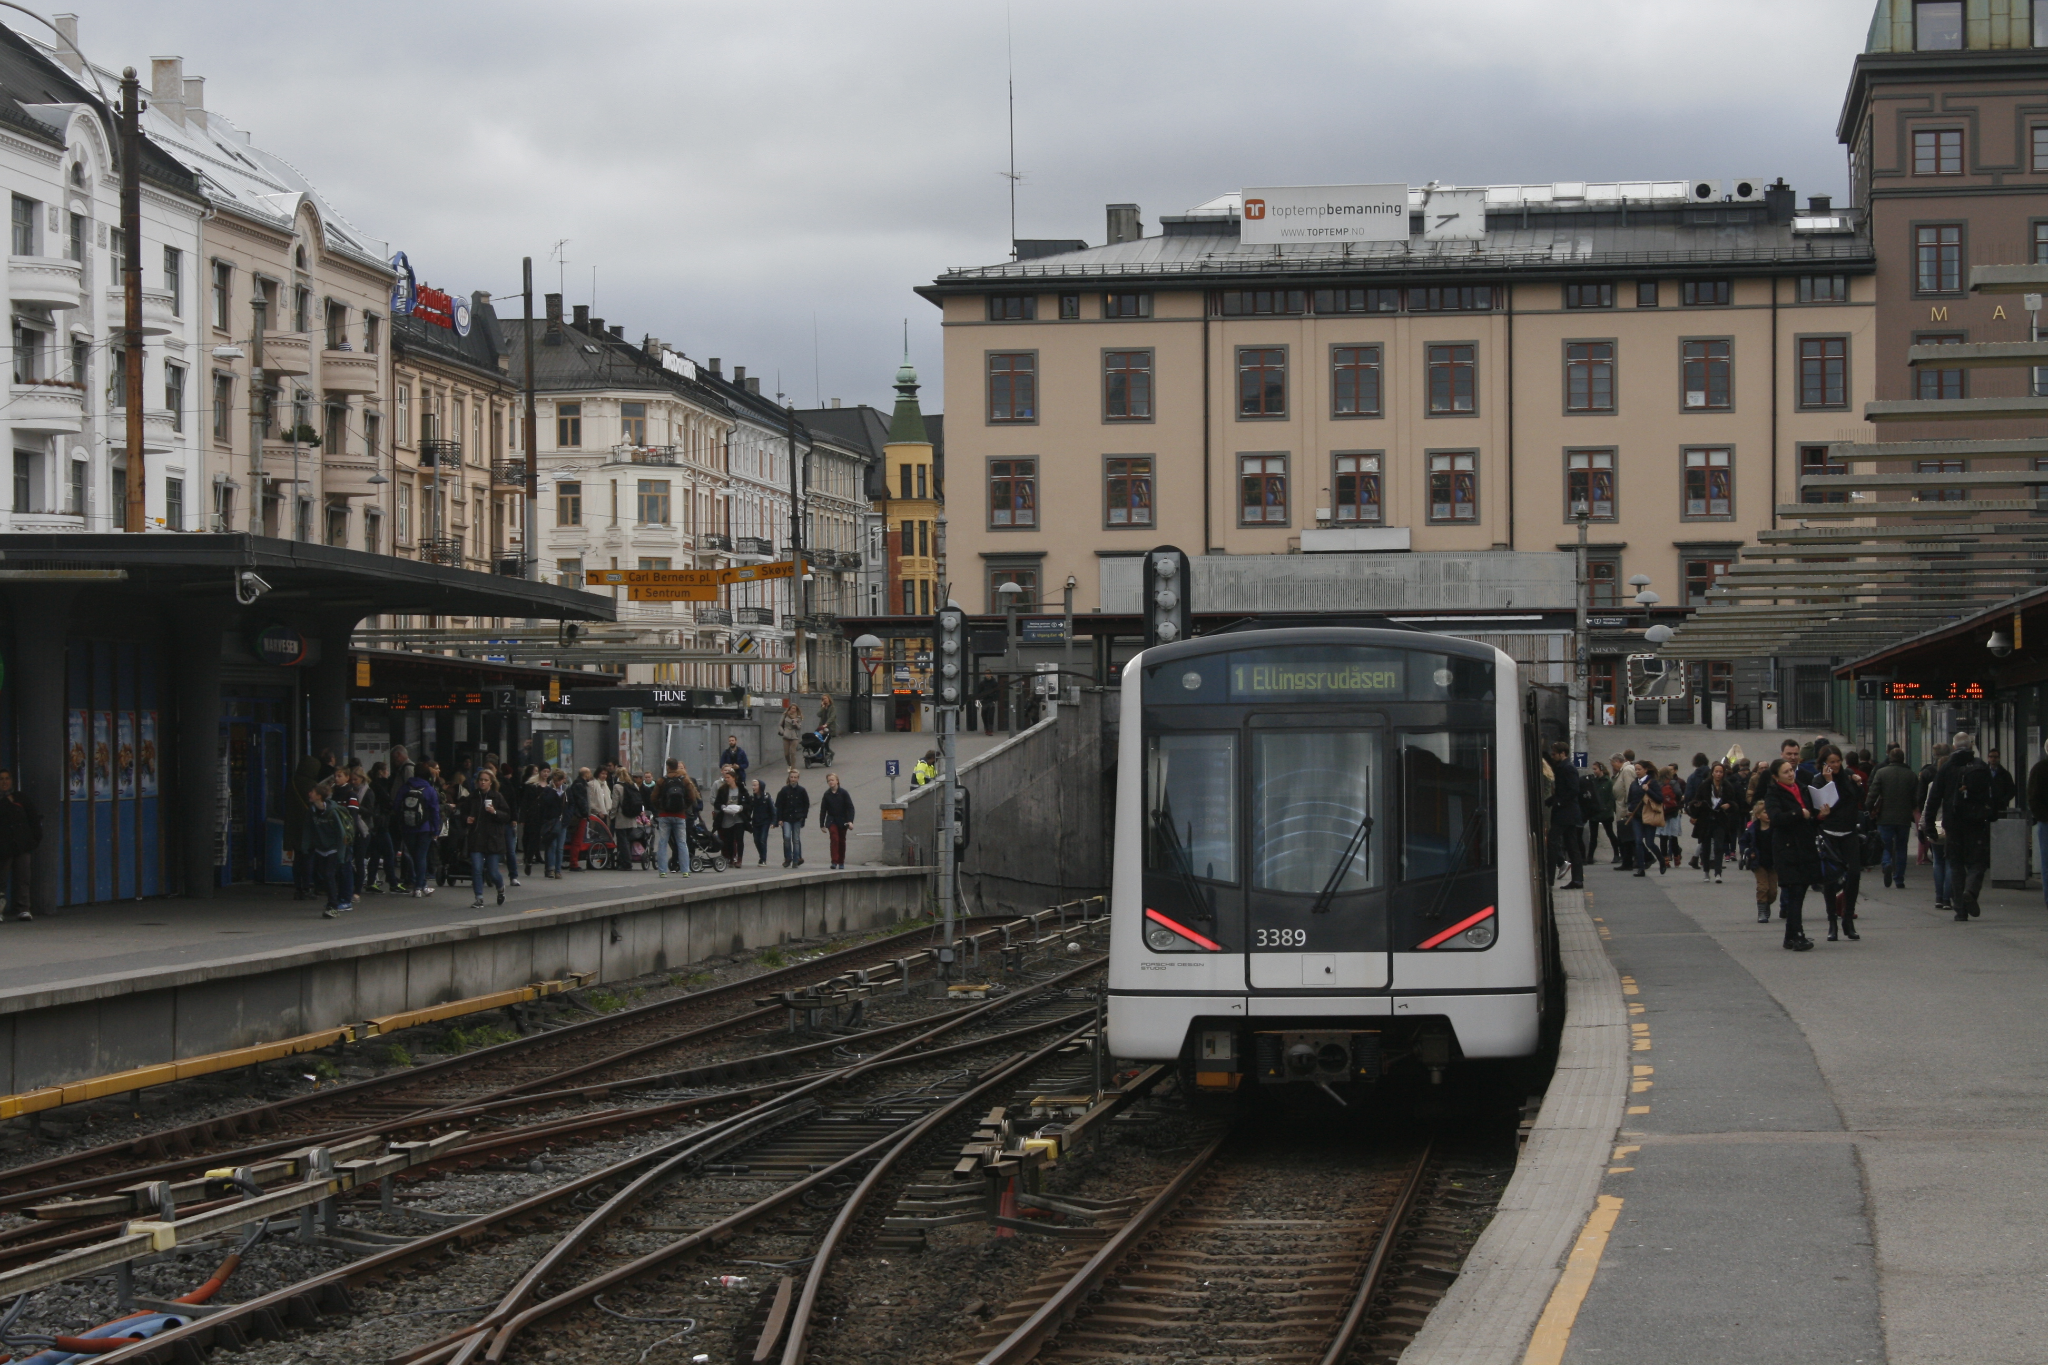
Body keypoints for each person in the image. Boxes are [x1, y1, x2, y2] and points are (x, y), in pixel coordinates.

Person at [1929, 731, 1995, 921]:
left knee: (1955, 864)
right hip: (1975, 823)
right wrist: (1991, 815)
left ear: (1954, 747)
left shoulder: (1947, 767)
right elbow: (1992, 794)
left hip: (1953, 823)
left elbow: (1934, 797)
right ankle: (1971, 891)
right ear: (1972, 746)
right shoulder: (1980, 766)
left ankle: (1960, 910)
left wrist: (1930, 825)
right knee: (1977, 862)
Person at [1763, 757, 1821, 951]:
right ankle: (1797, 934)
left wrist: (1818, 814)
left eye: (1791, 770)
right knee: (1795, 891)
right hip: (1787, 848)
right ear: (1776, 777)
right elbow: (1776, 818)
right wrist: (1798, 813)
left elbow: (1811, 813)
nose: (1790, 774)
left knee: (1801, 891)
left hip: (1804, 845)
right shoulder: (1773, 793)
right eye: (1786, 772)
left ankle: (1790, 936)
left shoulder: (1802, 788)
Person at [1815, 746, 1864, 941]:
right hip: (1829, 833)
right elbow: (1826, 803)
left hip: (1849, 832)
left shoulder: (1848, 776)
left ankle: (1848, 919)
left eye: (1837, 761)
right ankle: (1832, 922)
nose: (1835, 765)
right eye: (1831, 762)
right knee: (1830, 878)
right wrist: (1829, 782)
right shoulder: (1818, 780)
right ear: (1824, 763)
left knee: (1854, 874)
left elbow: (1857, 799)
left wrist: (1858, 784)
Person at [1869, 746, 1917, 890]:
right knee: (1902, 848)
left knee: (1885, 845)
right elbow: (1916, 797)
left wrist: (1868, 807)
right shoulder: (1911, 775)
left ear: (1890, 758)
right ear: (1903, 759)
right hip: (1903, 817)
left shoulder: (1881, 773)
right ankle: (1899, 878)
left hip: (1885, 816)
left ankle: (1886, 863)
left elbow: (1873, 792)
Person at [306, 783, 356, 918]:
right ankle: (333, 901)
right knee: (324, 876)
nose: (309, 794)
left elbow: (341, 834)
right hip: (321, 848)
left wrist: (341, 855)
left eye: (312, 792)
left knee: (329, 875)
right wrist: (306, 846)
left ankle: (333, 906)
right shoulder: (312, 810)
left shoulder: (333, 812)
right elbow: (309, 829)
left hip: (333, 849)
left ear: (319, 796)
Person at [464, 770, 511, 909]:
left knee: (492, 871)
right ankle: (479, 898)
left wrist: (494, 812)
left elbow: (507, 815)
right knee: (477, 868)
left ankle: (500, 887)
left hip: (493, 838)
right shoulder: (473, 797)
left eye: (485, 780)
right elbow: (463, 812)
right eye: (481, 780)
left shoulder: (497, 797)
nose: (482, 782)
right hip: (477, 837)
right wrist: (466, 819)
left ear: (491, 782)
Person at [394, 760, 441, 898]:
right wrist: (436, 830)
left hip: (408, 827)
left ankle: (421, 884)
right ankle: (419, 886)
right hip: (424, 828)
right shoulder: (429, 790)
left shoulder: (405, 787)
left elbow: (397, 806)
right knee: (421, 856)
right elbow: (435, 811)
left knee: (414, 856)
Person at [1686, 760, 1737, 884]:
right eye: (1716, 772)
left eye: (1721, 772)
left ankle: (1718, 873)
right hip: (1706, 820)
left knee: (1719, 847)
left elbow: (1735, 803)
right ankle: (1706, 872)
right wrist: (1697, 805)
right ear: (1712, 773)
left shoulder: (1727, 786)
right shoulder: (1705, 785)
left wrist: (1728, 805)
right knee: (1706, 847)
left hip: (1720, 820)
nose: (1719, 774)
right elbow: (1695, 800)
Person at [0, 770, 40, 922]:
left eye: (7, 779)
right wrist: (5, 802)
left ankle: (23, 909)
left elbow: (33, 818)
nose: (4, 782)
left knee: (23, 877)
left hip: (22, 845)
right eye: (1, 779)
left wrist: (35, 839)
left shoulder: (21, 798)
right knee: (1, 879)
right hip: (3, 846)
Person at [1547, 744, 1584, 889]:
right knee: (1572, 845)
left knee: (1552, 840)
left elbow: (1573, 790)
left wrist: (1558, 803)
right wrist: (1551, 801)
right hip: (1568, 812)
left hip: (1565, 813)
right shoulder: (1565, 767)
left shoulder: (1567, 768)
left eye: (1555, 754)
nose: (1553, 756)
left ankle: (1557, 870)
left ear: (1563, 753)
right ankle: (1577, 879)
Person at [652, 760, 696, 878]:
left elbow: (653, 798)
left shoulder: (662, 780)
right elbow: (692, 797)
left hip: (664, 816)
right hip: (680, 815)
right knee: (682, 842)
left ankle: (662, 871)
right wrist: (684, 807)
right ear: (677, 767)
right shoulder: (684, 780)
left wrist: (660, 808)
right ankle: (685, 870)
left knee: (663, 843)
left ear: (667, 767)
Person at [1740, 798, 1776, 923]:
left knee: (1772, 891)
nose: (1768, 815)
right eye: (1765, 812)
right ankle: (1761, 910)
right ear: (1758, 815)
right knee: (1762, 887)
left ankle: (1767, 904)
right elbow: (1743, 842)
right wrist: (1748, 852)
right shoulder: (1752, 830)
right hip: (1758, 862)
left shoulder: (1776, 829)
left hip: (1773, 862)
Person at [531, 770, 568, 879]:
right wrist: (553, 791)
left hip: (562, 821)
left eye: (559, 781)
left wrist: (567, 817)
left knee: (560, 848)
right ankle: (550, 869)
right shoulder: (548, 790)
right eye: (555, 781)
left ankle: (558, 870)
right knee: (552, 845)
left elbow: (570, 805)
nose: (557, 783)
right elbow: (545, 803)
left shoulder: (566, 790)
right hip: (551, 821)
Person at [774, 768, 811, 867]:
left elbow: (806, 804)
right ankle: (788, 858)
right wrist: (779, 819)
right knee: (786, 837)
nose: (793, 779)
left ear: (798, 778)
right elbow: (779, 805)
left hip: (797, 818)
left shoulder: (802, 790)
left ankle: (796, 859)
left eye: (795, 777)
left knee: (796, 839)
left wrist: (803, 816)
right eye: (791, 777)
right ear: (789, 778)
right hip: (786, 818)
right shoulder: (784, 790)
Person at [819, 772, 855, 870]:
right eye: (829, 780)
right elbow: (823, 810)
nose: (831, 782)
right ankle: (834, 861)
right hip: (832, 820)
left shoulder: (843, 793)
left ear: (837, 781)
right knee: (834, 838)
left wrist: (850, 821)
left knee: (842, 841)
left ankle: (841, 861)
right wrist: (822, 824)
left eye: (832, 780)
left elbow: (850, 807)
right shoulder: (827, 795)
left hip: (843, 820)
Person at [1584, 761, 1615, 867]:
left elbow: (1611, 798)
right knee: (1593, 836)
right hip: (1595, 813)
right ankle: (1590, 856)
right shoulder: (1593, 781)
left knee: (1610, 833)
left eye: (1595, 769)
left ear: (1601, 769)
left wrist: (1607, 808)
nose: (1594, 771)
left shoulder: (1608, 782)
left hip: (1606, 813)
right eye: (1593, 769)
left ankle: (1617, 853)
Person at [1610, 760, 1637, 871]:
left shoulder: (1626, 771)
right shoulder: (1622, 771)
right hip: (1621, 806)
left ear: (1619, 762)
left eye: (1613, 764)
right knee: (1626, 836)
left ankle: (1631, 860)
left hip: (1624, 808)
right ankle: (1629, 860)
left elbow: (1629, 789)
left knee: (1626, 836)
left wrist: (1629, 807)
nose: (1612, 767)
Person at [748, 777, 775, 866]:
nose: (753, 787)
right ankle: (761, 856)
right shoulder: (752, 798)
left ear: (760, 786)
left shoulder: (767, 797)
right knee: (756, 840)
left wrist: (773, 821)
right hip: (756, 822)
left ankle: (763, 859)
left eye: (755, 785)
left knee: (762, 839)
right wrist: (747, 820)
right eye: (753, 785)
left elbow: (772, 810)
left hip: (765, 821)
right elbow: (749, 810)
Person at [1986, 748, 2017, 813]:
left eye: (1995, 757)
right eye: (1991, 757)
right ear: (1988, 758)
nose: (1993, 759)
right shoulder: (1983, 772)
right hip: (1986, 805)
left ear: (1999, 758)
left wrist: (2003, 801)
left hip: (2000, 807)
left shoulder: (2005, 774)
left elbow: (2012, 790)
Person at [778, 699, 804, 770]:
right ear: (789, 708)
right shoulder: (785, 715)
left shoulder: (798, 717)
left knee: (793, 752)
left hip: (794, 735)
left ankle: (793, 767)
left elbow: (799, 727)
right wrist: (782, 732)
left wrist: (796, 723)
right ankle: (789, 764)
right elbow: (780, 725)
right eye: (792, 708)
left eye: (794, 709)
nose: (793, 710)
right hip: (786, 734)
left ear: (796, 709)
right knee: (786, 754)